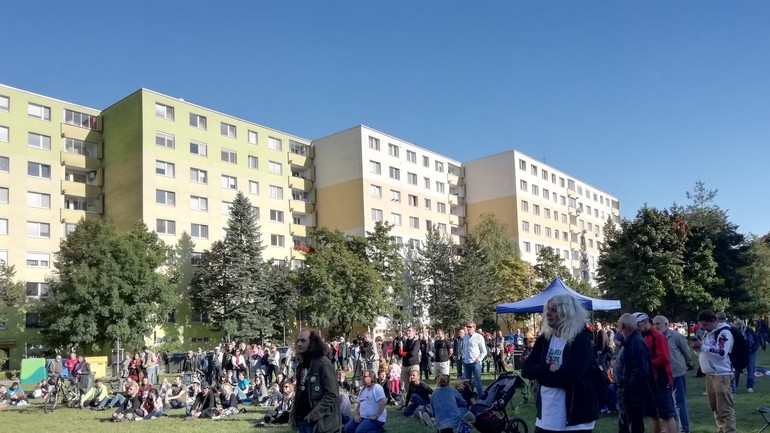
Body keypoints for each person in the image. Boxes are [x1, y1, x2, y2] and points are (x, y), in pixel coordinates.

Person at [521, 294, 599, 432]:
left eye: (554, 310)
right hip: (546, 416)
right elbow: (526, 370)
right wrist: (549, 368)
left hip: (575, 418)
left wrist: (541, 376)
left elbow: (570, 376)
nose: (548, 313)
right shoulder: (544, 340)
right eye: (548, 309)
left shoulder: (580, 341)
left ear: (567, 313)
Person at [289, 329, 340, 433]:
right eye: (298, 340)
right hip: (301, 420)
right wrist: (293, 415)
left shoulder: (323, 363)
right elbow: (299, 393)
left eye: (303, 341)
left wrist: (313, 416)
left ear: (312, 342)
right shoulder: (302, 365)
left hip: (318, 423)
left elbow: (331, 394)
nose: (299, 344)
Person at [693, 310, 735, 433]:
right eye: (701, 325)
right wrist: (697, 348)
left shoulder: (724, 332)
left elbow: (721, 353)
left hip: (722, 374)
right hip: (709, 374)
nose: (703, 328)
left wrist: (702, 346)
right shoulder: (707, 333)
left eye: (705, 325)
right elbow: (704, 351)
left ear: (713, 321)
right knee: (715, 407)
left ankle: (730, 430)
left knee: (724, 408)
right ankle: (721, 429)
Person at [635, 312, 676, 433]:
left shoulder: (657, 336)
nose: (636, 328)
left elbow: (664, 359)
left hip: (661, 380)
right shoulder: (646, 336)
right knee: (653, 415)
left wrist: (645, 362)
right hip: (651, 380)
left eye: (637, 325)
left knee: (667, 415)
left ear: (645, 322)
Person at [615, 313, 655, 433]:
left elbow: (640, 370)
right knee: (625, 424)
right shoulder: (630, 341)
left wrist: (628, 387)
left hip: (632, 394)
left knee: (634, 425)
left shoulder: (636, 342)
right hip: (627, 391)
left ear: (622, 326)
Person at [654, 315, 694, 433]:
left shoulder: (676, 336)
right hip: (662, 376)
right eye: (654, 324)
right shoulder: (654, 337)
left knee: (679, 403)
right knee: (666, 404)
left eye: (658, 324)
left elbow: (686, 351)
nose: (655, 326)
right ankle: (670, 428)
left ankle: (684, 429)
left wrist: (688, 363)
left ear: (666, 324)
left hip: (676, 374)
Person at [732, 318, 759, 393]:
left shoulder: (749, 330)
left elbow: (756, 340)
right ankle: (734, 386)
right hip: (739, 354)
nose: (738, 326)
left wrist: (753, 349)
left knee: (751, 369)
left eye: (739, 324)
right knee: (736, 370)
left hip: (750, 352)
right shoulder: (734, 332)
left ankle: (750, 386)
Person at [462, 321, 487, 397]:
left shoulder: (479, 337)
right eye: (467, 327)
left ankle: (482, 399)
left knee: (477, 382)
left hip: (476, 363)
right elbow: (464, 349)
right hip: (467, 363)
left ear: (474, 328)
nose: (468, 328)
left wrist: (478, 359)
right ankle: (469, 399)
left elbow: (484, 351)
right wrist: (463, 358)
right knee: (467, 383)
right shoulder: (465, 337)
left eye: (470, 327)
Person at [400, 327, 421, 391]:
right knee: (403, 384)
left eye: (409, 331)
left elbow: (413, 353)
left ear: (414, 332)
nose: (407, 332)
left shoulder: (416, 341)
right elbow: (401, 353)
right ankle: (405, 397)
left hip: (413, 365)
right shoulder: (405, 341)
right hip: (405, 365)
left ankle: (416, 396)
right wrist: (401, 349)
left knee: (414, 383)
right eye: (407, 330)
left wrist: (404, 353)